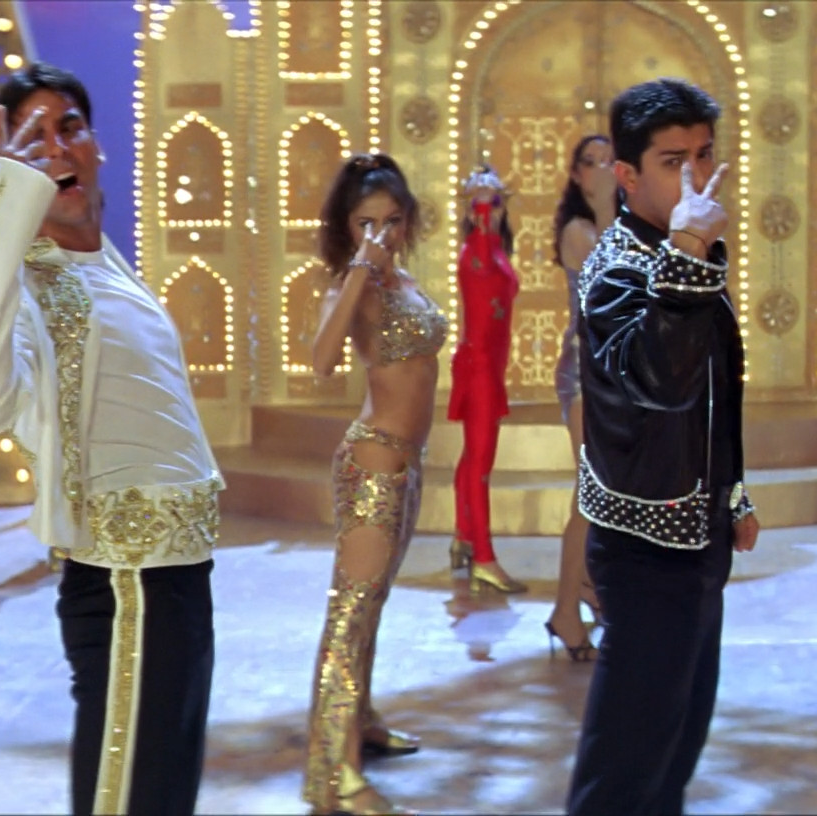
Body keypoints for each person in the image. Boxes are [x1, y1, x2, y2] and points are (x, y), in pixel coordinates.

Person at [0, 63, 221, 814]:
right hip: (127, 585)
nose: (57, 148)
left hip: (178, 579)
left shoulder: (108, 267)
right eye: (32, 140)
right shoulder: (28, 285)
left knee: (161, 798)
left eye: (69, 127)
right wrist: (2, 206)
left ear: (96, 145)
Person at [565, 78, 759, 816]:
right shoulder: (619, 267)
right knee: (625, 768)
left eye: (704, 155)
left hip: (695, 533)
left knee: (674, 749)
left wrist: (732, 493)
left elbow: (714, 395)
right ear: (627, 174)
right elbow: (660, 381)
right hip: (645, 548)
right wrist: (687, 247)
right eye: (674, 162)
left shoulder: (683, 255)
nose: (697, 177)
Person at [303, 153, 443, 815]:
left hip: (408, 463)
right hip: (373, 466)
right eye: (366, 223)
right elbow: (322, 361)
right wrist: (360, 268)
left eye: (391, 221)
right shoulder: (350, 286)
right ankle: (334, 773)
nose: (381, 234)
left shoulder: (405, 281)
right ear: (347, 227)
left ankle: (359, 719)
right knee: (350, 614)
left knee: (374, 603)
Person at [546, 134, 616, 660]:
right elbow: (614, 275)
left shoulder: (626, 224)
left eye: (609, 161)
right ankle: (565, 610)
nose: (601, 170)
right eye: (590, 163)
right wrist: (609, 201)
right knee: (589, 496)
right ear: (576, 175)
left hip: (620, 374)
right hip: (585, 375)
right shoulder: (579, 230)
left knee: (607, 494)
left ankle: (589, 588)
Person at [447, 163, 526, 594]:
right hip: (479, 368)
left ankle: (464, 537)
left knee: (474, 458)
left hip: (488, 367)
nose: (489, 211)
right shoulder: (476, 249)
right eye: (481, 204)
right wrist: (479, 204)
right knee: (480, 463)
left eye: (496, 202)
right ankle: (484, 557)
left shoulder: (494, 249)